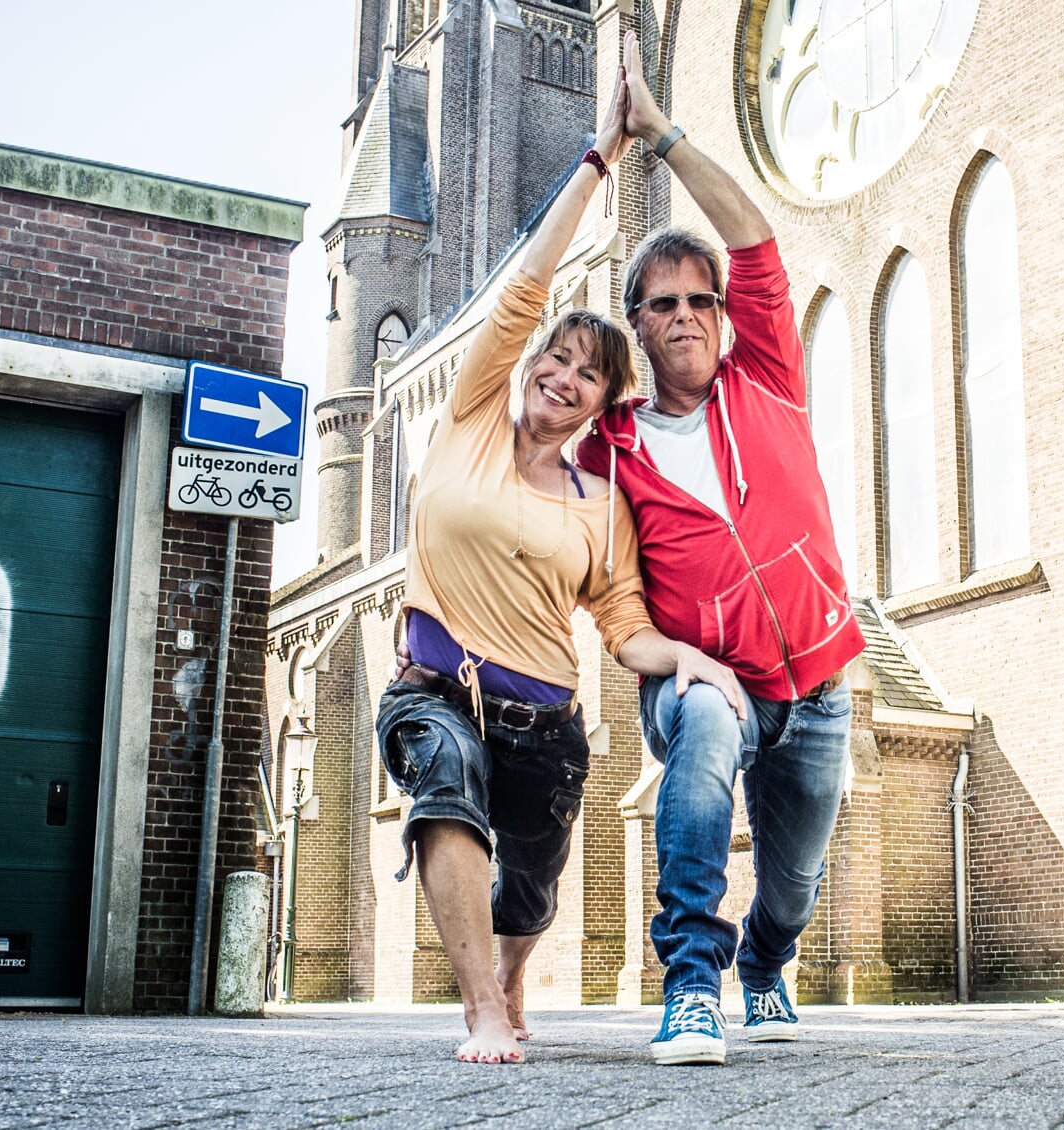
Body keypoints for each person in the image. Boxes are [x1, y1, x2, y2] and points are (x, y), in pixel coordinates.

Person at [375, 53, 745, 1067]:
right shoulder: (469, 422)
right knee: (443, 782)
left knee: (532, 882)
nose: (567, 376)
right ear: (530, 363)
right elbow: (530, 281)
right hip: (433, 687)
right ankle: (481, 1007)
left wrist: (691, 659)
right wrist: (598, 158)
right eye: (559, 358)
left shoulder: (599, 503)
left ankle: (514, 967)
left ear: (600, 404)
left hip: (546, 719)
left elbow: (624, 624)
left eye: (591, 374)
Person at [572, 37, 866, 1066]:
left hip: (821, 683)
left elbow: (754, 238)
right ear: (638, 327)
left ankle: (765, 960)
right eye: (666, 303)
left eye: (703, 298)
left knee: (793, 877)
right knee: (698, 736)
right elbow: (609, 594)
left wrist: (664, 137)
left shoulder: (767, 375)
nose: (690, 314)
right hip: (708, 678)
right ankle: (690, 984)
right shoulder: (608, 450)